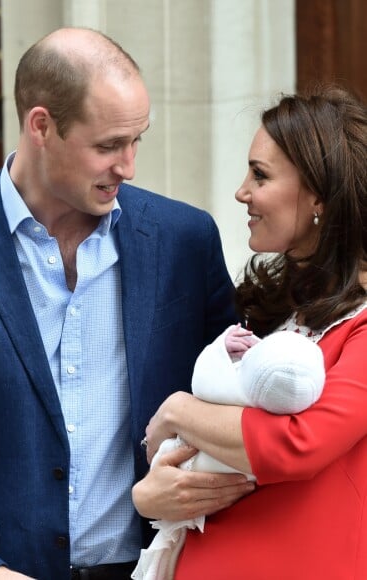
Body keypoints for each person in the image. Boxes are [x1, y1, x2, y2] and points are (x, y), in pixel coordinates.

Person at [0, 27, 248, 580]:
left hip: (163, 565)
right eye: (108, 146)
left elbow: (236, 403)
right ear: (42, 126)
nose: (128, 166)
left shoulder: (186, 240)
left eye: (137, 141)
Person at [133, 86, 367, 579]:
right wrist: (149, 496)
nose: (242, 191)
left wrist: (179, 409)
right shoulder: (265, 312)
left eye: (260, 176)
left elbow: (299, 444)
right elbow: (196, 454)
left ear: (320, 195)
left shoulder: (360, 328)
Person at [132, 324, 325, 579]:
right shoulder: (274, 408)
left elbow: (204, 377)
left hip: (191, 478)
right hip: (226, 527)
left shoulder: (234, 391)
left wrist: (222, 345)